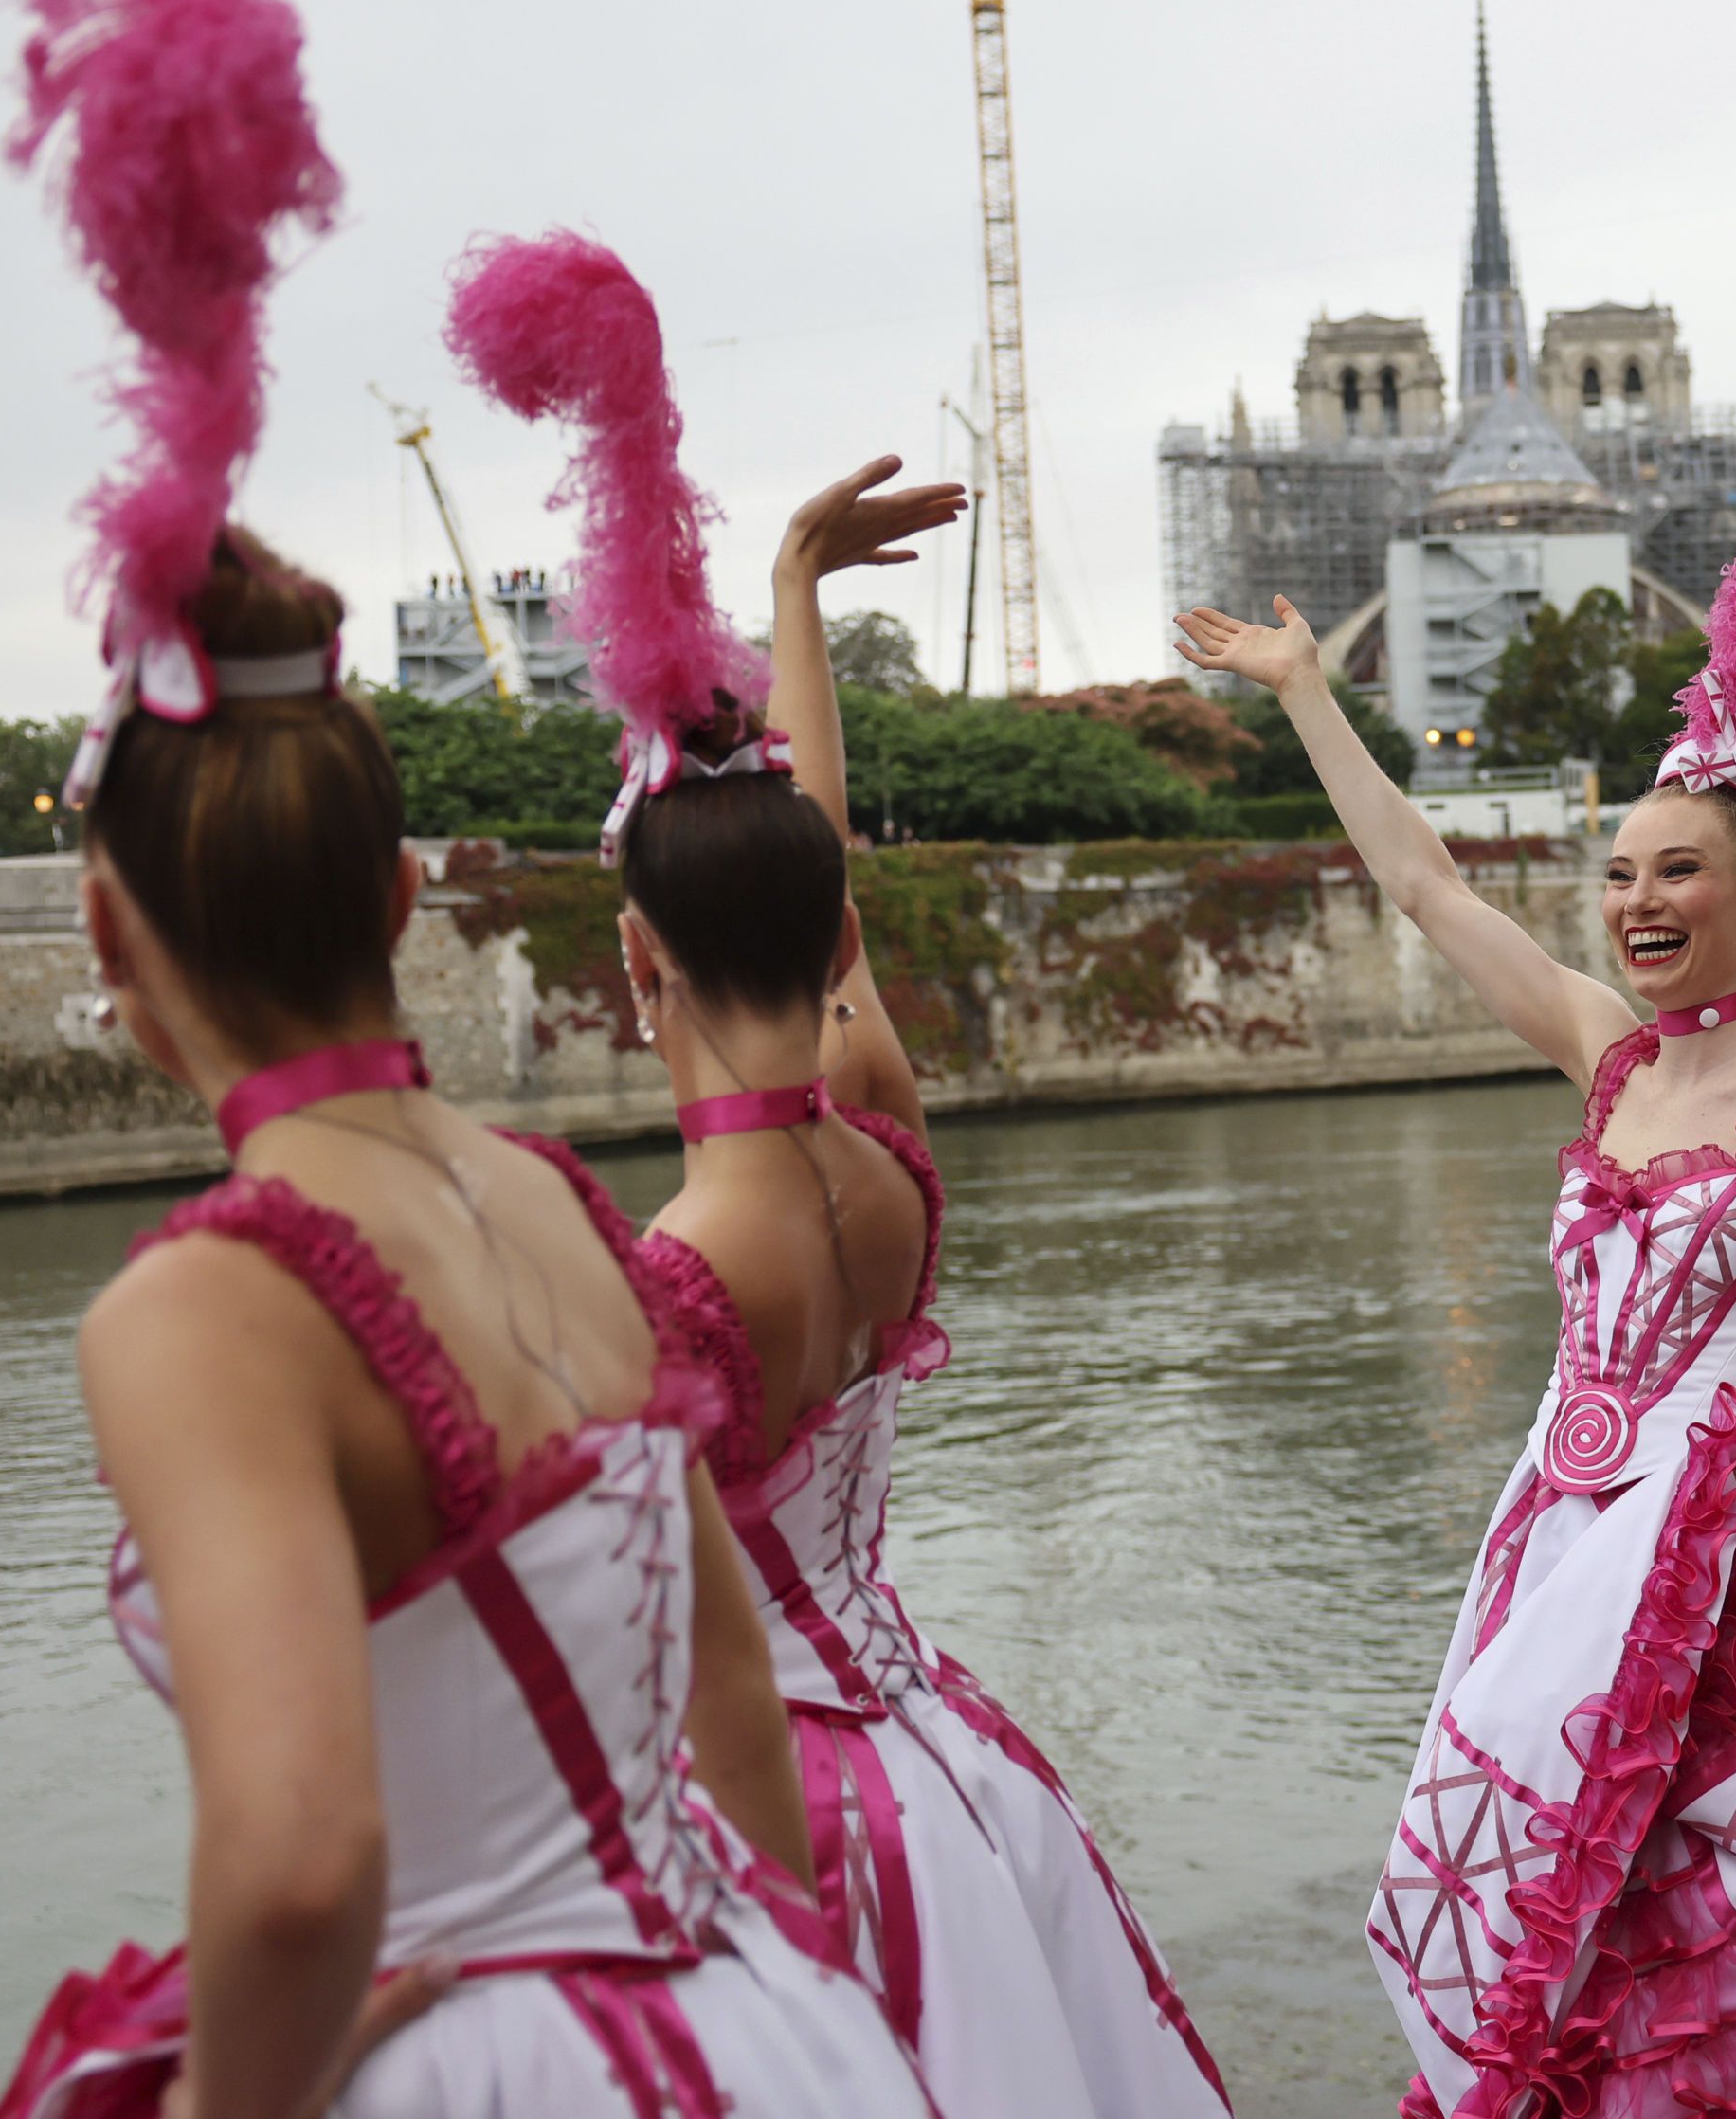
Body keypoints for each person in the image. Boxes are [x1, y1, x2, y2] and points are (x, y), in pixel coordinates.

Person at [0, 0, 930, 2118]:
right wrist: (780, 1994)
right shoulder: (551, 1197)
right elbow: (720, 1671)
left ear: (113, 947)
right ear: (408, 897)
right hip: (741, 2005)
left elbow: (307, 1857)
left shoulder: (201, 1308)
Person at [443, 227, 1230, 2114]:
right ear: (830, 923)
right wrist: (787, 589)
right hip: (948, 1766)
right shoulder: (882, 1144)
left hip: (799, 1813)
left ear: (633, 959)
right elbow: (822, 854)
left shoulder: (671, 1272)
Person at [1178, 505, 1736, 2119]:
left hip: (1722, 1588)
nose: (1640, 902)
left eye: (1679, 873)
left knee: (1722, 1935)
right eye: (1619, 876)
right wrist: (1310, 686)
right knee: (1543, 1912)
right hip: (1556, 1546)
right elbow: (1424, 882)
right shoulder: (1609, 1055)